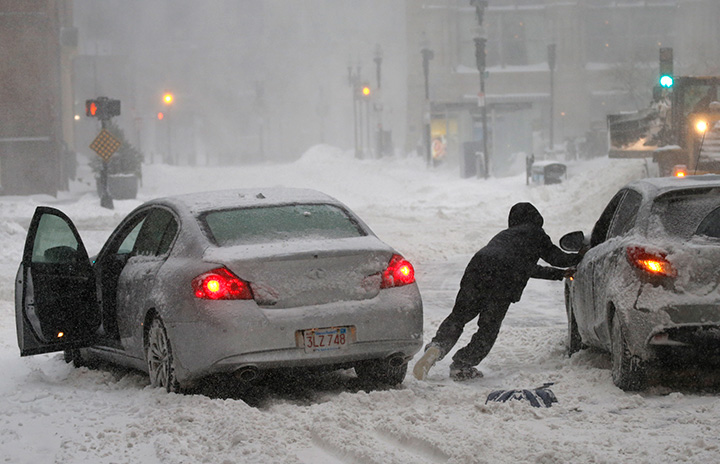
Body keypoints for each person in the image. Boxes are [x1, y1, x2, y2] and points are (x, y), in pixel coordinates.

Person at [413, 202, 584, 381]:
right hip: (503, 279)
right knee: (488, 327)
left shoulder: (504, 235)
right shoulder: (536, 233)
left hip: (477, 266)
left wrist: (558, 274)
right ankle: (462, 364)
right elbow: (554, 258)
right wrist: (578, 257)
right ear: (536, 218)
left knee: (459, 316)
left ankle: (437, 346)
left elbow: (524, 266)